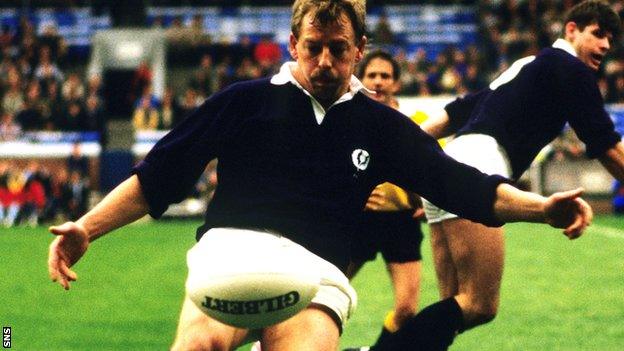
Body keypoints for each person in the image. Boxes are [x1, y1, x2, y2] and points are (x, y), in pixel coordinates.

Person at [47, 1, 592, 350]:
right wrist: (86, 228)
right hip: (231, 254)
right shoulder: (244, 102)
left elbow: (461, 185)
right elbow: (159, 176)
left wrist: (540, 208)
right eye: (313, 48)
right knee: (196, 348)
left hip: (317, 277)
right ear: (293, 46)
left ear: (358, 51)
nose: (325, 61)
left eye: (338, 49)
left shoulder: (381, 125)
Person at [358, 2, 621, 350]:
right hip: (480, 165)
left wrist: (418, 168)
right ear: (571, 30)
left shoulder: (529, 65)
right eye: (597, 34)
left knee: (453, 304)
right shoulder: (570, 68)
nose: (604, 46)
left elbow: (457, 111)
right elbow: (606, 144)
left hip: (453, 161)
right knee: (480, 305)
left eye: (610, 39)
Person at [346, 50, 425, 348]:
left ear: (397, 83)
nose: (378, 81)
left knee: (407, 309)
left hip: (401, 222)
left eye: (385, 76)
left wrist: (426, 202)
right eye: (372, 75)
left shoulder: (413, 123)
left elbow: (430, 170)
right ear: (361, 80)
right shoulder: (346, 120)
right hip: (358, 222)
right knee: (326, 295)